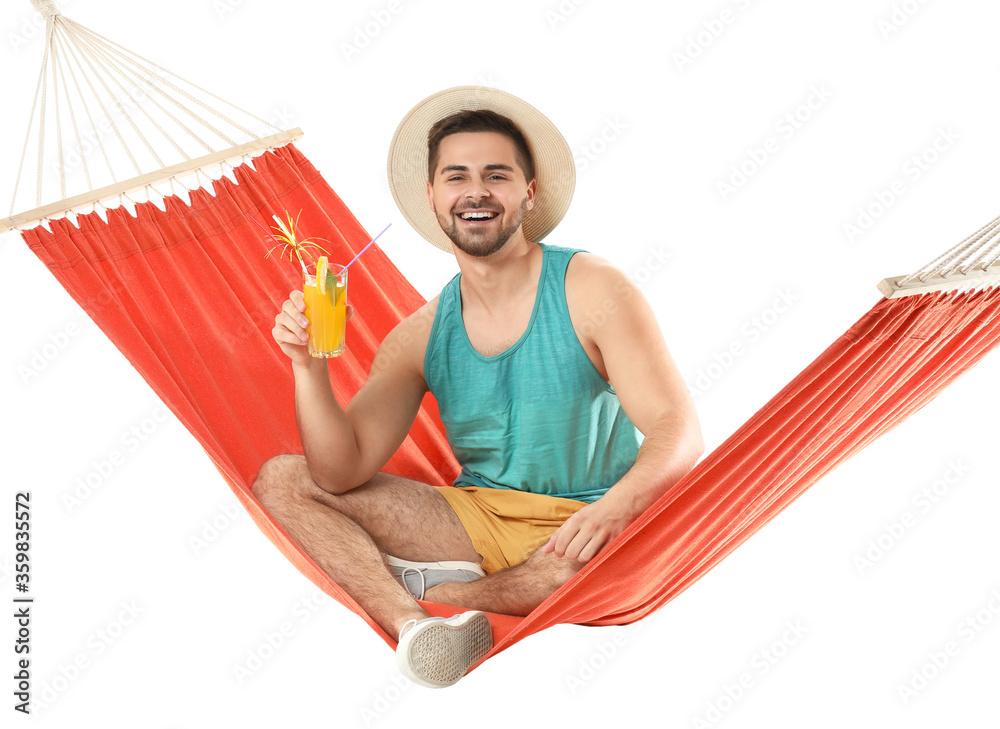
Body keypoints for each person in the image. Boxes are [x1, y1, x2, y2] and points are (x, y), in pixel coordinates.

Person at [251, 86, 704, 688]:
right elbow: (339, 472)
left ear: (528, 194)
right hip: (476, 518)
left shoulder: (591, 287)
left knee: (588, 579)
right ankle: (415, 624)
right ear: (433, 197)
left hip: (584, 523)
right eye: (457, 176)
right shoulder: (419, 333)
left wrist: (612, 509)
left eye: (497, 174)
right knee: (283, 479)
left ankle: (449, 588)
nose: (476, 191)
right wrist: (308, 367)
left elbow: (680, 431)